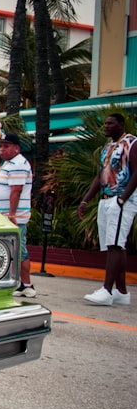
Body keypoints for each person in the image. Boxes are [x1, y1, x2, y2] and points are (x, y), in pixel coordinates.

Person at [77, 112, 137, 306]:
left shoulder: (131, 143)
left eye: (110, 123)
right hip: (106, 199)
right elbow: (101, 175)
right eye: (105, 124)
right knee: (113, 244)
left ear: (121, 124)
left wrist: (122, 199)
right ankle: (121, 292)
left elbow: (136, 172)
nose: (106, 126)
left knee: (115, 245)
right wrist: (86, 200)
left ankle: (106, 290)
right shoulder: (108, 147)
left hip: (121, 200)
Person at [0, 132, 35, 298]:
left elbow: (16, 191)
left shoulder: (18, 164)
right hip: (1, 216)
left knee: (19, 250)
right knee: (6, 250)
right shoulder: (8, 164)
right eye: (1, 146)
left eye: (6, 146)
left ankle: (26, 284)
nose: (2, 149)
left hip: (13, 217)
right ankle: (9, 282)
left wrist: (12, 215)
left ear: (16, 148)